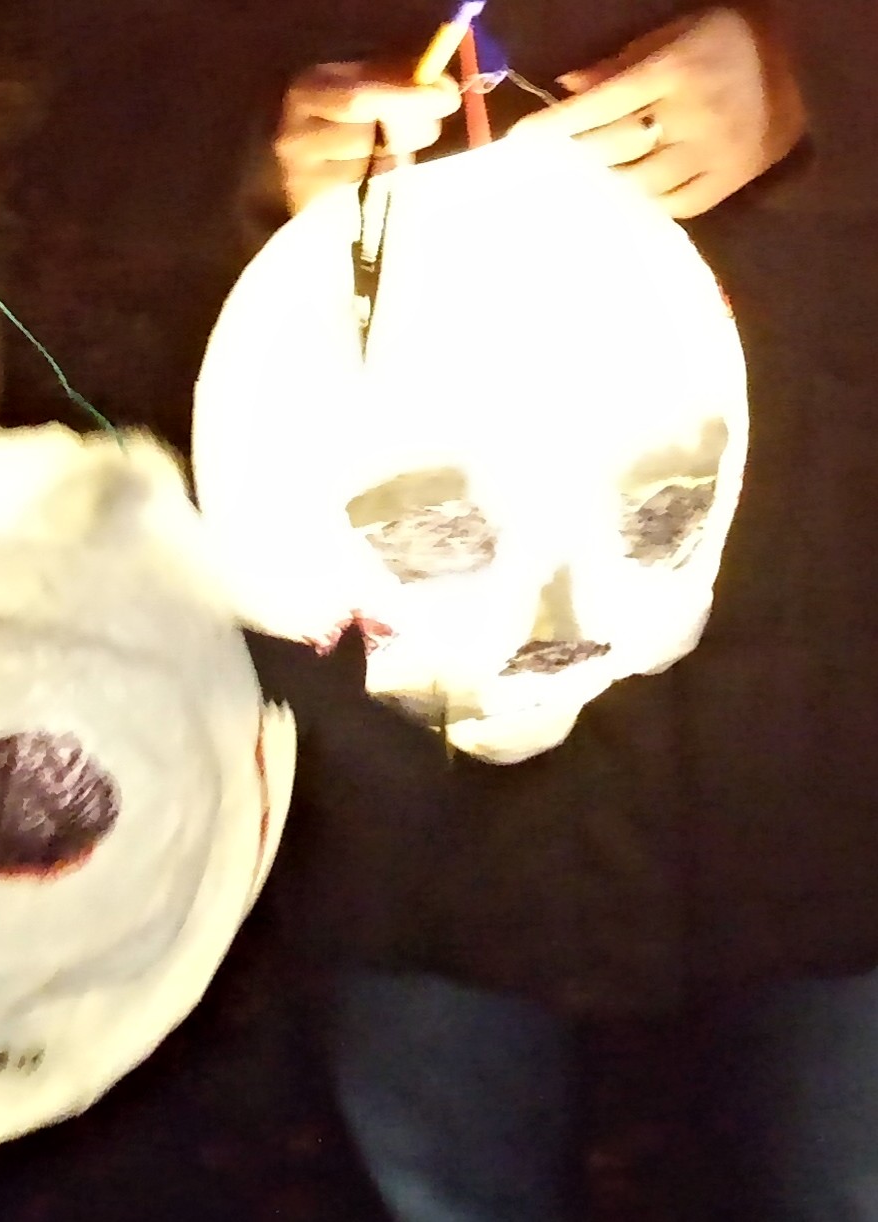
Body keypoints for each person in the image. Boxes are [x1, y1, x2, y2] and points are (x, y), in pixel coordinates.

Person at [239, 3, 878, 1218]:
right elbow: (82, 107)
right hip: (419, 713)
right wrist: (276, 169)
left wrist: (820, 80)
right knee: (448, 1161)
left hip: (825, 670)